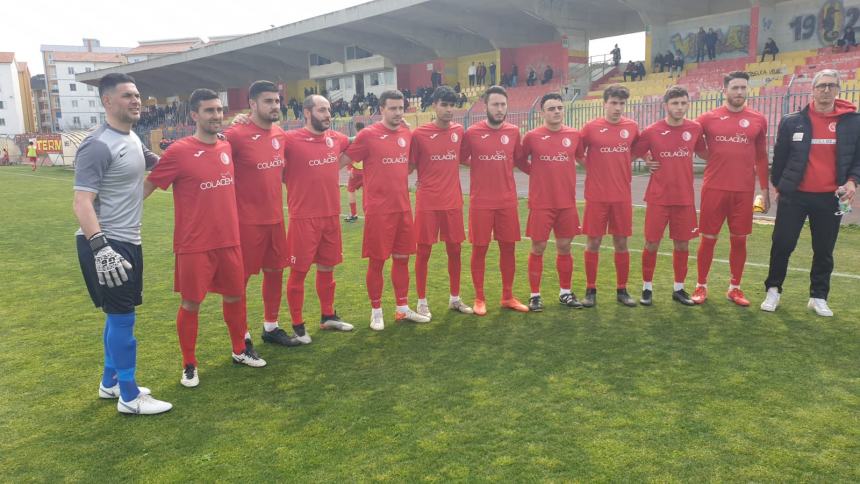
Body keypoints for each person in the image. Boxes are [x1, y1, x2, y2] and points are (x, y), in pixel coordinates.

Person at [145, 88, 266, 389]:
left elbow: (253, 136)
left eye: (218, 110)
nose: (216, 116)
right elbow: (148, 186)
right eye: (209, 111)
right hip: (194, 244)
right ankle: (189, 364)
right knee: (191, 303)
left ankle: (240, 349)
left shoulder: (226, 146)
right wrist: (115, 218)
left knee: (236, 295)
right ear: (194, 115)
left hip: (229, 239)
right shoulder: (178, 152)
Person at [73, 73, 171, 414]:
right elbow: (82, 202)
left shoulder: (132, 139)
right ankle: (129, 396)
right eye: (127, 95)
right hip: (107, 244)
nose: (136, 100)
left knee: (116, 317)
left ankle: (110, 382)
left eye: (137, 95)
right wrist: (101, 249)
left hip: (128, 239)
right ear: (107, 101)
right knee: (123, 320)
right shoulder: (97, 145)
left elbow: (161, 166)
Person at [762, 69, 860, 316]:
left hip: (831, 198)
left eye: (831, 86)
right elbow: (780, 158)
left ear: (839, 89)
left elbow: (857, 159)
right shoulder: (792, 120)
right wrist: (779, 187)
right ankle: (773, 290)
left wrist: (852, 181)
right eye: (822, 85)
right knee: (782, 244)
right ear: (813, 89)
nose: (826, 90)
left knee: (824, 249)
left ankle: (818, 296)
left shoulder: (853, 121)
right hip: (795, 196)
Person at [339, 90, 429, 330]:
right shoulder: (368, 135)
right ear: (381, 109)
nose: (398, 113)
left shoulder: (406, 134)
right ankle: (376, 311)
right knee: (377, 261)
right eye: (393, 108)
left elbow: (409, 164)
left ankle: (402, 308)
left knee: (402, 259)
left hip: (402, 208)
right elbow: (343, 160)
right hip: (379, 210)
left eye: (401, 108)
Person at [222, 81, 296, 347]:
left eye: (277, 101)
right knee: (238, 282)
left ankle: (271, 326)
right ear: (252, 104)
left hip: (276, 220)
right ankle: (241, 337)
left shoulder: (280, 134)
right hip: (245, 222)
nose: (275, 106)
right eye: (268, 101)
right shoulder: (236, 135)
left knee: (275, 272)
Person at [692, 71, 769, 306]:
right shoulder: (707, 119)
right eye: (735, 88)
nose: (739, 92)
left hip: (744, 191)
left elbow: (762, 157)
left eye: (743, 88)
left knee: (739, 240)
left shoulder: (758, 119)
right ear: (724, 90)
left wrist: (764, 190)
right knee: (708, 238)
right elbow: (696, 145)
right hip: (714, 188)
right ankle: (701, 285)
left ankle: (735, 288)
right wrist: (713, 157)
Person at [281, 95, 355, 338]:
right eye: (322, 110)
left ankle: (328, 316)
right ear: (306, 112)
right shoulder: (289, 140)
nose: (327, 114)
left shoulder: (336, 139)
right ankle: (298, 325)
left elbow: (356, 146)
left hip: (331, 215)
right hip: (304, 218)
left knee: (328, 268)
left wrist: (336, 165)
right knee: (299, 272)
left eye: (329, 110)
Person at [631, 86, 705, 306]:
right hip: (658, 197)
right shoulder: (652, 131)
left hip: (684, 198)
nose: (680, 107)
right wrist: (646, 158)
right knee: (652, 243)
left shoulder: (695, 128)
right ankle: (647, 288)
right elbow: (633, 150)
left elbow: (704, 151)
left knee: (682, 245)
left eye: (683, 103)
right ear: (666, 105)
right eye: (675, 103)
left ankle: (679, 289)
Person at [461, 85, 528, 315]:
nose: (500, 109)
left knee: (508, 250)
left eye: (503, 104)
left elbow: (520, 160)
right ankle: (479, 298)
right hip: (481, 202)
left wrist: (547, 170)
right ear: (486, 106)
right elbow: (459, 158)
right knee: (479, 250)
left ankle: (507, 296)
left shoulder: (513, 132)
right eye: (495, 104)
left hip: (507, 201)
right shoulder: (472, 133)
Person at [409, 86, 474, 318]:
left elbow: (466, 158)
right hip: (427, 202)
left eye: (451, 105)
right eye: (444, 105)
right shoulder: (419, 135)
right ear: (434, 105)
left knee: (455, 251)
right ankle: (422, 301)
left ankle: (455, 299)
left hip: (453, 202)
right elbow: (409, 166)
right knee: (423, 252)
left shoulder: (459, 131)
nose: (448, 110)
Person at [518, 93, 583, 311]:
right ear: (542, 112)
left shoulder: (574, 135)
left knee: (565, 246)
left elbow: (582, 157)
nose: (556, 112)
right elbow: (519, 160)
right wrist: (535, 172)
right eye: (551, 108)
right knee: (538, 247)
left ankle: (565, 292)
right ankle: (534, 295)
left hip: (567, 203)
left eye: (559, 108)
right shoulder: (532, 136)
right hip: (541, 203)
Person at [578, 85, 640, 307]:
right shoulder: (591, 128)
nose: (617, 107)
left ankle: (622, 290)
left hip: (622, 196)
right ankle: (590, 290)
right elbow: (578, 152)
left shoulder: (631, 127)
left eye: (621, 103)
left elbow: (637, 149)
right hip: (596, 196)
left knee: (621, 242)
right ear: (604, 103)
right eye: (613, 103)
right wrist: (590, 165)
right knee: (593, 241)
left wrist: (625, 162)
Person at [345, 121, 366, 222]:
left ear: (356, 128)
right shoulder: (368, 138)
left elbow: (350, 154)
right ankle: (369, 213)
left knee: (351, 191)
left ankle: (354, 214)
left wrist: (349, 169)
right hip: (366, 171)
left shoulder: (355, 139)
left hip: (355, 171)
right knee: (367, 192)